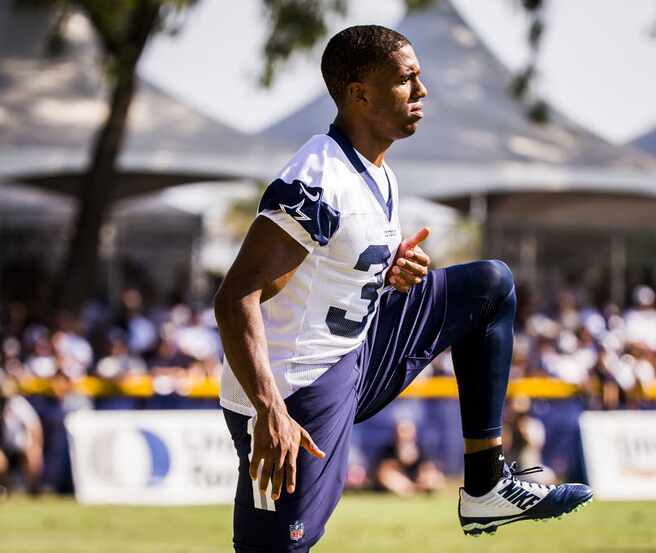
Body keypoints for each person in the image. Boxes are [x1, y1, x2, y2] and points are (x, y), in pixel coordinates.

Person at [214, 25, 591, 552]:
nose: (422, 90)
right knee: (275, 549)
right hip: (294, 388)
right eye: (406, 79)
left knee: (489, 285)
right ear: (359, 93)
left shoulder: (378, 171)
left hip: (355, 354)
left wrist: (388, 274)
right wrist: (268, 410)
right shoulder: (318, 178)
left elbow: (325, 268)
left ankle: (485, 485)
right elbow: (235, 298)